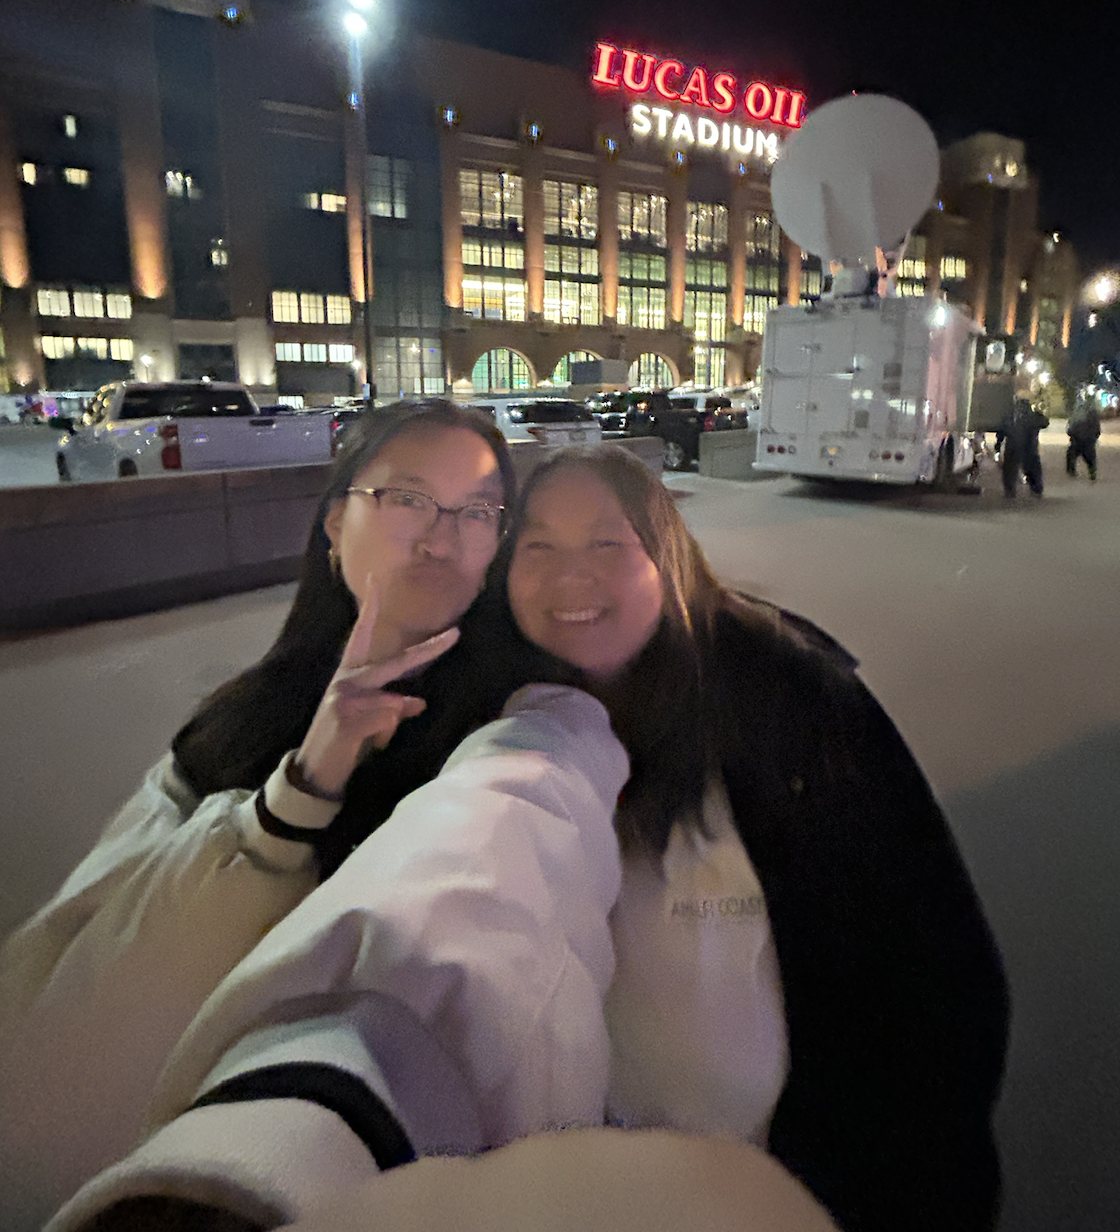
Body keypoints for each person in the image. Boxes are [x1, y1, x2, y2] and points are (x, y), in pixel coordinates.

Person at [51, 446, 1009, 1232]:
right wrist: (287, 1147)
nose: (570, 576)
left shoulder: (788, 701)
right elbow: (448, 886)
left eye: (608, 543)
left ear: (668, 557)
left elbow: (931, 989)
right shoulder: (497, 714)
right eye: (537, 547)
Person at [2, 398, 593, 1232]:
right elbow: (81, 1010)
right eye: (409, 499)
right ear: (334, 523)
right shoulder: (234, 728)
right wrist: (309, 780)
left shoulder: (532, 714)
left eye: (477, 512)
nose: (442, 539)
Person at [1000, 394, 1048, 497]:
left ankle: (1010, 491)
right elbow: (1044, 423)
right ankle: (1035, 490)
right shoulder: (1031, 416)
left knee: (1011, 470)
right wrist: (1039, 413)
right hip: (1027, 447)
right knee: (1031, 469)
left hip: (1015, 446)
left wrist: (998, 444)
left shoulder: (1011, 416)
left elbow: (1002, 430)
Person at [1066, 398, 1101, 479]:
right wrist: (1095, 436)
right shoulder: (1093, 414)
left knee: (1072, 454)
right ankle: (1092, 471)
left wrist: (1070, 433)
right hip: (1089, 438)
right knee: (1090, 456)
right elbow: (1097, 427)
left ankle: (1071, 470)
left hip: (1077, 438)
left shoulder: (1078, 413)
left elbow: (1072, 424)